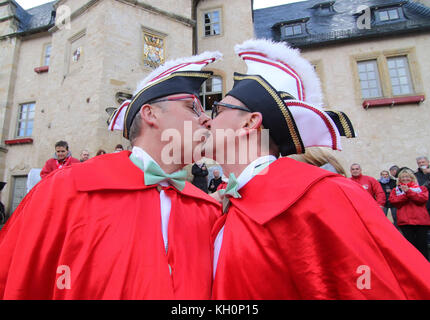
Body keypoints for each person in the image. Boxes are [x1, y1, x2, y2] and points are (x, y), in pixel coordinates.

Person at [207, 39, 430, 299]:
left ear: (250, 122)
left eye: (217, 109)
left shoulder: (325, 193)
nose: (204, 120)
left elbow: (369, 288)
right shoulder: (228, 199)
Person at [0, 51, 223, 299]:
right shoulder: (65, 190)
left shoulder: (208, 210)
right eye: (192, 107)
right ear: (151, 114)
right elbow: (16, 281)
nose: (207, 120)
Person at [389, 168, 430, 260]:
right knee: (410, 246)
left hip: (421, 221)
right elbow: (394, 201)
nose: (405, 179)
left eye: (407, 176)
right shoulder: (395, 190)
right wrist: (407, 194)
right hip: (405, 221)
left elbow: (422, 199)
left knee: (422, 245)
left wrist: (408, 191)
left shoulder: (421, 189)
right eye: (403, 177)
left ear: (411, 178)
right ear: (399, 179)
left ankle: (425, 265)